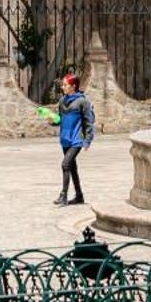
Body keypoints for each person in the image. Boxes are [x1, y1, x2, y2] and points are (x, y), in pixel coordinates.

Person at [52, 69, 95, 207]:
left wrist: (87, 139)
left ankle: (63, 196)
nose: (62, 87)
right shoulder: (62, 101)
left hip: (76, 140)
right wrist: (52, 120)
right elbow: (60, 119)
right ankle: (79, 196)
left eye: (65, 85)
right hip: (65, 139)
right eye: (63, 85)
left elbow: (89, 121)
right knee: (72, 168)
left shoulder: (82, 101)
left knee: (65, 164)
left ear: (73, 86)